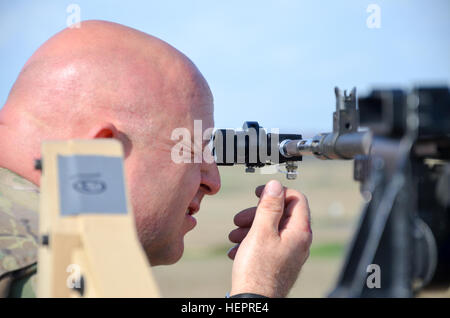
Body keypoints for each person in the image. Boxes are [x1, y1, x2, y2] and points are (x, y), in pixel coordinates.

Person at [0, 20, 312, 298]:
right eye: (192, 149)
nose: (212, 182)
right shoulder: (56, 260)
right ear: (101, 151)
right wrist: (259, 290)